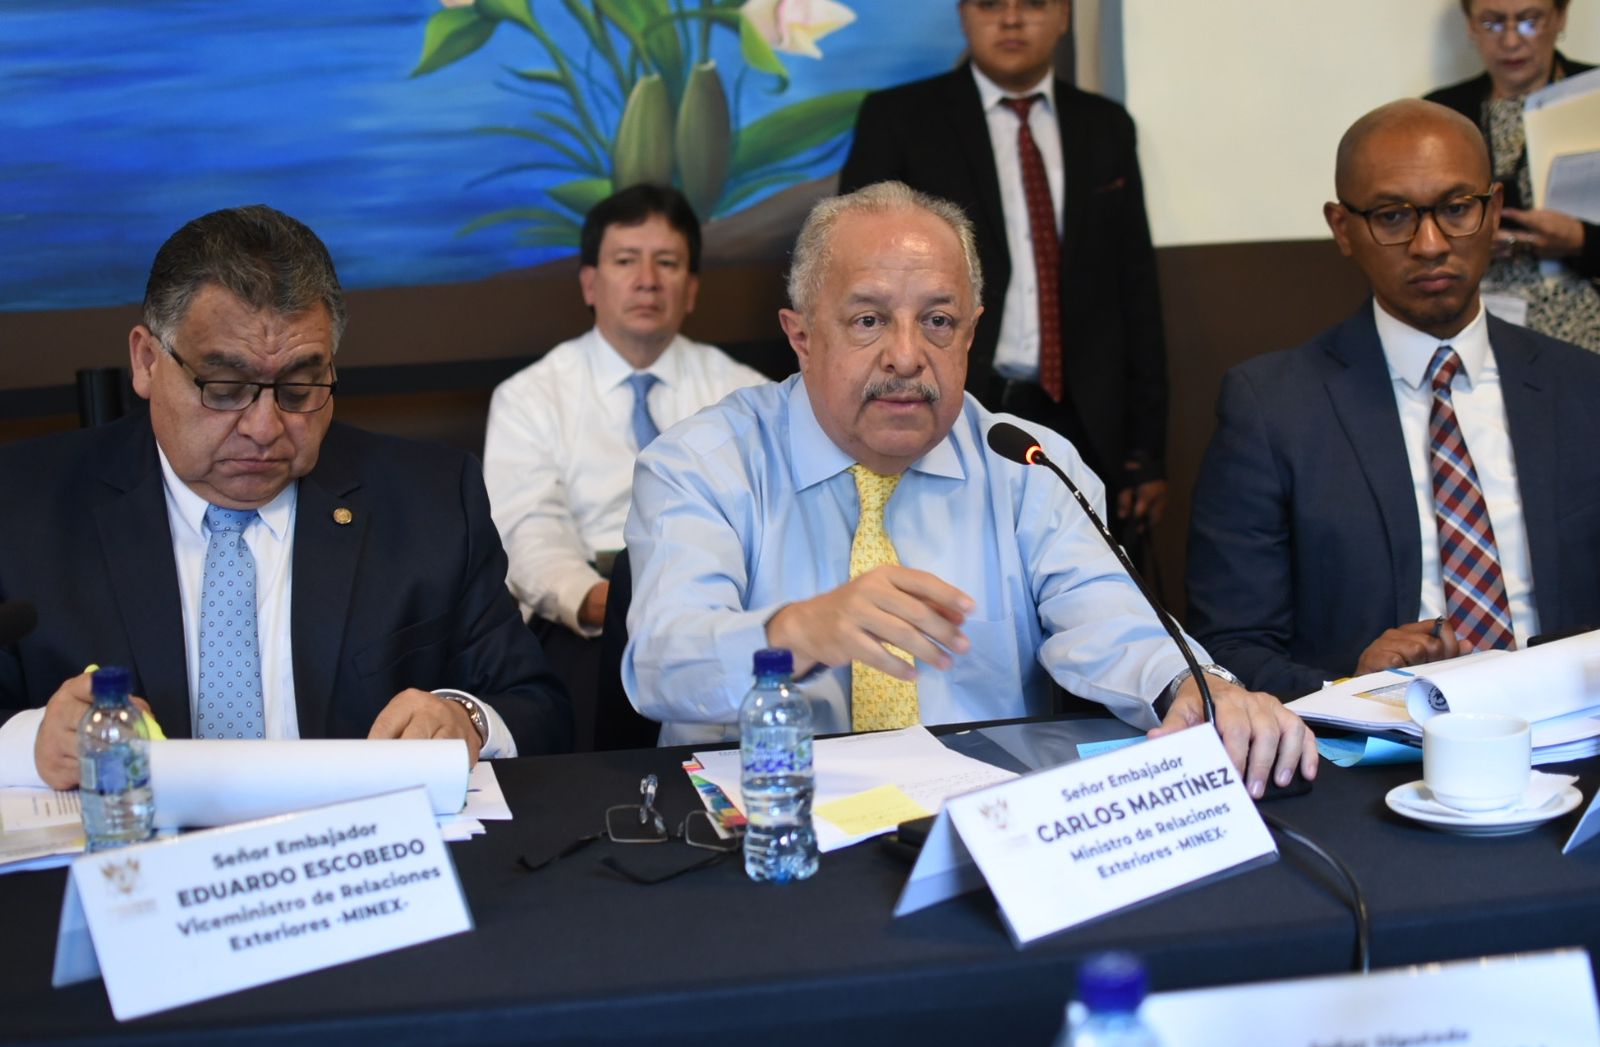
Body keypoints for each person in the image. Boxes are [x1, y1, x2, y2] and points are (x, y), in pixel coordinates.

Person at [622, 181, 1315, 799]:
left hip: (981, 830)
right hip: (774, 828)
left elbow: (1111, 619)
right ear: (801, 336)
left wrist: (1192, 685)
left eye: (937, 322)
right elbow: (659, 661)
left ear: (971, 335)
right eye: (868, 321)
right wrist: (797, 631)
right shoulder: (702, 463)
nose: (905, 354)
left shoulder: (1026, 464)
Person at [0, 205, 572, 789]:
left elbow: (538, 707)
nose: (265, 427)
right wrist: (31, 743)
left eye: (300, 388)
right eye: (225, 389)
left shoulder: (428, 501)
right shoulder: (23, 507)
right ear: (147, 362)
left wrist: (466, 718)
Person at [1186, 100, 1600, 699]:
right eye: (1392, 216)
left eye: (1457, 209)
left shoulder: (1582, 387)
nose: (1430, 244)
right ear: (1342, 228)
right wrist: (1353, 687)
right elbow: (1228, 647)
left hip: (1572, 737)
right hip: (1376, 757)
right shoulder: (1272, 408)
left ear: (1495, 211)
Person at [839, 0, 1170, 538]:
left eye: (1033, 4)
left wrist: (1145, 449)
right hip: (951, 405)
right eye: (991, 4)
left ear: (1063, 15)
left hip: (1086, 416)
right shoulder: (901, 119)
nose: (1012, 19)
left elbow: (1136, 290)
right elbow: (851, 274)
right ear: (962, 13)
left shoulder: (1105, 127)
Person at [483, 185, 766, 745]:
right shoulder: (531, 396)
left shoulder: (745, 393)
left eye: (667, 263)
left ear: (691, 288)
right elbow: (527, 532)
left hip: (719, 602)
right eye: (625, 261)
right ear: (591, 283)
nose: (647, 280)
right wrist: (602, 602)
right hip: (587, 613)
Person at [1426, 0, 1599, 352]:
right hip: (1479, 327)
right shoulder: (1439, 113)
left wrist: (1582, 240)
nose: (1509, 41)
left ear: (1560, 17)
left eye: (1529, 21)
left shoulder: (1593, 97)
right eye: (1491, 23)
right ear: (1470, 26)